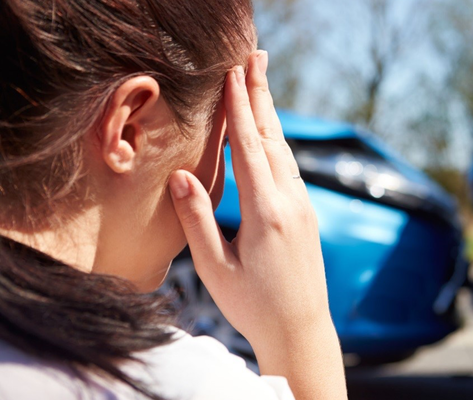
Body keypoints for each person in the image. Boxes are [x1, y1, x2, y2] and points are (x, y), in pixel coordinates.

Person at [0, 0, 348, 399]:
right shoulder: (179, 384)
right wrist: (302, 330)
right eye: (226, 142)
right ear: (130, 129)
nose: (218, 188)